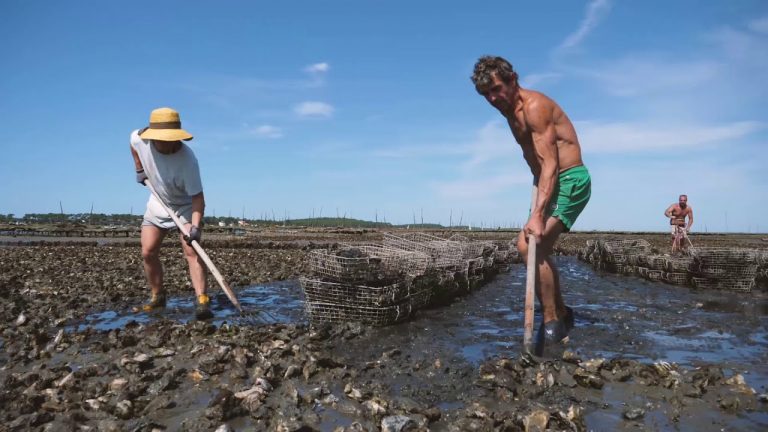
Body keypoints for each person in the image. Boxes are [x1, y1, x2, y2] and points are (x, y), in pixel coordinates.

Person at [471, 56, 591, 352]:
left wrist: (538, 213)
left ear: (513, 80)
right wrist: (537, 195)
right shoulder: (509, 113)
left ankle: (551, 324)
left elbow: (550, 162)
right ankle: (561, 313)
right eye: (486, 94)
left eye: (497, 89)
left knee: (528, 247)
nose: (492, 98)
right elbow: (536, 164)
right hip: (546, 183)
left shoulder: (535, 107)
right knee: (532, 246)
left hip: (569, 179)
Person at [129, 107, 212, 320]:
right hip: (158, 202)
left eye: (171, 139)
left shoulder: (187, 160)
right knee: (148, 251)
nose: (168, 143)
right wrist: (139, 169)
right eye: (163, 139)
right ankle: (158, 296)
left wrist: (194, 228)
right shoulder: (141, 140)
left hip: (185, 207)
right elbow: (132, 142)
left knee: (192, 251)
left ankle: (202, 299)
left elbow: (198, 199)